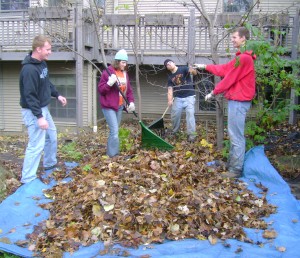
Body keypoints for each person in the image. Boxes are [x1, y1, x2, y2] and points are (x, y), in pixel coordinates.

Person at [193, 27, 256, 178]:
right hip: (237, 101)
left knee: (236, 136)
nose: (232, 40)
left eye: (235, 37)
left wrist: (214, 92)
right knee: (234, 134)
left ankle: (235, 170)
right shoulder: (240, 58)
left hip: (239, 102)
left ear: (243, 39)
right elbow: (224, 69)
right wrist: (205, 67)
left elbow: (229, 79)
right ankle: (232, 164)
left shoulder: (244, 59)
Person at [19, 35, 67, 184]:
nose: (50, 52)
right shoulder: (29, 70)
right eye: (48, 49)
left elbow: (46, 83)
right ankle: (27, 178)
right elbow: (29, 96)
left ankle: (49, 164)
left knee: (52, 137)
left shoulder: (42, 64)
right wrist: (39, 117)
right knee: (36, 145)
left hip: (43, 108)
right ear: (38, 49)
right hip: (33, 111)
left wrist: (57, 95)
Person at [98, 49, 135, 157]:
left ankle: (111, 153)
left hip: (119, 106)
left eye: (126, 62)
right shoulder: (108, 72)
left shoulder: (124, 74)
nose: (125, 64)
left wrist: (131, 102)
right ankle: (113, 155)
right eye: (123, 62)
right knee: (114, 131)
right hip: (109, 106)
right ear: (117, 62)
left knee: (115, 131)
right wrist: (109, 83)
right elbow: (101, 90)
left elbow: (128, 90)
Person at [164, 59, 198, 142]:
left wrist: (192, 70)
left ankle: (192, 135)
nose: (169, 64)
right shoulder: (170, 77)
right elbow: (170, 89)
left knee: (190, 116)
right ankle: (175, 132)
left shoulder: (183, 69)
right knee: (175, 115)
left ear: (174, 63)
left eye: (170, 62)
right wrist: (169, 100)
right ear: (167, 68)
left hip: (189, 96)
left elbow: (194, 73)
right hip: (178, 98)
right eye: (167, 65)